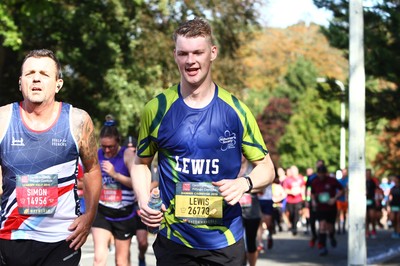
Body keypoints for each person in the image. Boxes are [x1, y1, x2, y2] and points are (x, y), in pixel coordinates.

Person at [130, 17, 275, 266]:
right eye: (183, 53)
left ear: (213, 53)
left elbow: (267, 168)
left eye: (198, 52)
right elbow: (140, 163)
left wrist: (245, 183)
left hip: (225, 241)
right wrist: (144, 200)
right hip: (175, 241)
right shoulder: (157, 109)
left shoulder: (236, 110)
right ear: (175, 55)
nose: (191, 61)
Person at [0, 49, 102, 265]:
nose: (36, 78)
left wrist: (89, 216)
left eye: (44, 74)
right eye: (30, 73)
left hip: (62, 240)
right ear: (20, 82)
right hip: (11, 238)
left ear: (58, 84)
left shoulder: (78, 121)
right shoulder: (2, 119)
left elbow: (92, 169)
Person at [91, 116, 137, 266]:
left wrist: (115, 175)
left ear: (118, 141)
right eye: (104, 146)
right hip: (102, 211)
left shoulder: (128, 155)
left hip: (124, 214)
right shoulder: (97, 155)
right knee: (99, 258)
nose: (107, 150)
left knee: (121, 261)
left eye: (111, 146)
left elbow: (137, 183)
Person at [124, 135, 151, 266]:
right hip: (125, 208)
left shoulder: (144, 162)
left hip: (140, 206)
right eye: (128, 149)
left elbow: (155, 181)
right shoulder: (120, 163)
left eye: (133, 149)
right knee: (124, 248)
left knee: (143, 242)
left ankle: (141, 256)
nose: (131, 152)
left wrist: (142, 190)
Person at [311, 165, 343, 256]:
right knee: (322, 226)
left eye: (322, 174)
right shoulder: (315, 182)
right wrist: (313, 201)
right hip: (320, 208)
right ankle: (322, 246)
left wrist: (335, 198)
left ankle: (332, 236)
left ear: (326, 173)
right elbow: (312, 193)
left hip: (331, 208)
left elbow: (341, 190)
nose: (321, 175)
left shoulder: (332, 181)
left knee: (330, 227)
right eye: (319, 173)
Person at [238, 155, 262, 266]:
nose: (241, 156)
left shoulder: (253, 170)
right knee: (238, 243)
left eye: (243, 153)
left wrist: (246, 187)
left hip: (252, 211)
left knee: (251, 242)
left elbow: (262, 188)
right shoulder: (233, 168)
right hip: (235, 211)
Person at [282, 165, 305, 235]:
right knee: (291, 214)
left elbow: (303, 187)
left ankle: (294, 228)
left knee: (296, 213)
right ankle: (292, 225)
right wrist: (292, 192)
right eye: (292, 171)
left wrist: (303, 194)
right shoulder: (287, 180)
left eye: (295, 170)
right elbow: (285, 190)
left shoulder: (301, 178)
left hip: (298, 200)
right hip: (290, 200)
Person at [336, 168, 348, 234]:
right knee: (338, 213)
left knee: (344, 213)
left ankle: (343, 227)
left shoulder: (348, 180)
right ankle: (338, 228)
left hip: (345, 199)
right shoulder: (338, 180)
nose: (344, 173)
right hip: (339, 199)